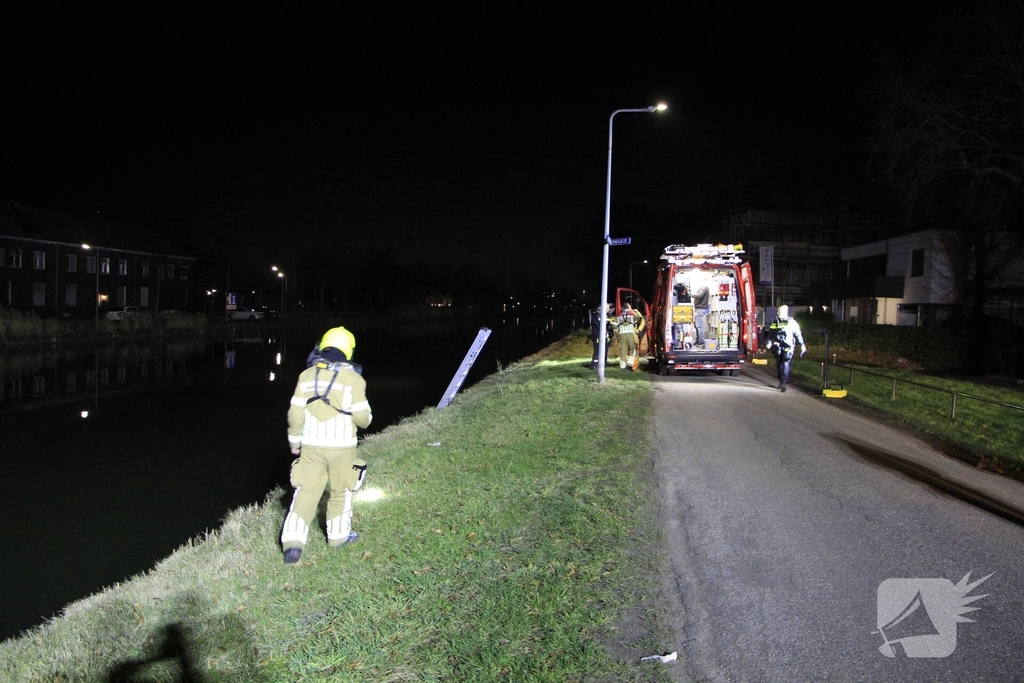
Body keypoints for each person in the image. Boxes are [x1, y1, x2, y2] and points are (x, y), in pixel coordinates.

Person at [281, 326, 373, 565]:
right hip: (342, 447)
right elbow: (363, 418)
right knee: (340, 491)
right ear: (349, 350)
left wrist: (294, 440)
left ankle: (292, 544)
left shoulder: (306, 376)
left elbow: (294, 413)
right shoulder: (354, 379)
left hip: (311, 446)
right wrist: (367, 418)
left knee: (306, 491)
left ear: (322, 346)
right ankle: (338, 537)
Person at [766, 305, 805, 392]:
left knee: (785, 363)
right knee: (779, 364)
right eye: (778, 311)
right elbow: (770, 334)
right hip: (778, 346)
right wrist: (768, 342)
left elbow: (798, 334)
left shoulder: (792, 323)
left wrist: (802, 345)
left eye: (779, 312)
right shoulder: (775, 322)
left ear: (785, 312)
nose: (778, 313)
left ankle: (783, 382)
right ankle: (781, 379)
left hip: (788, 346)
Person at [615, 302, 644, 370]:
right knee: (633, 349)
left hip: (621, 334)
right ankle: (629, 364)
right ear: (629, 308)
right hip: (631, 333)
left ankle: (622, 366)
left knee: (623, 350)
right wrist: (636, 312)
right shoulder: (632, 315)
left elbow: (614, 325)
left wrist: (617, 333)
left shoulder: (618, 316)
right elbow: (640, 318)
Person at [589, 303, 614, 369]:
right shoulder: (595, 316)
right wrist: (604, 333)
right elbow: (597, 325)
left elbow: (610, 325)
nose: (608, 310)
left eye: (608, 308)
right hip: (598, 336)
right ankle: (594, 364)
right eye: (606, 308)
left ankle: (604, 363)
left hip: (607, 337)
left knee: (605, 349)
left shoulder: (608, 316)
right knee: (597, 349)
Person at [692, 282, 710, 347]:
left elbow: (699, 295)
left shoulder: (704, 287)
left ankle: (701, 341)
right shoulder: (703, 287)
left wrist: (691, 294)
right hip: (698, 309)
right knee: (697, 326)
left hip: (700, 309)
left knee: (699, 326)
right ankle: (698, 340)